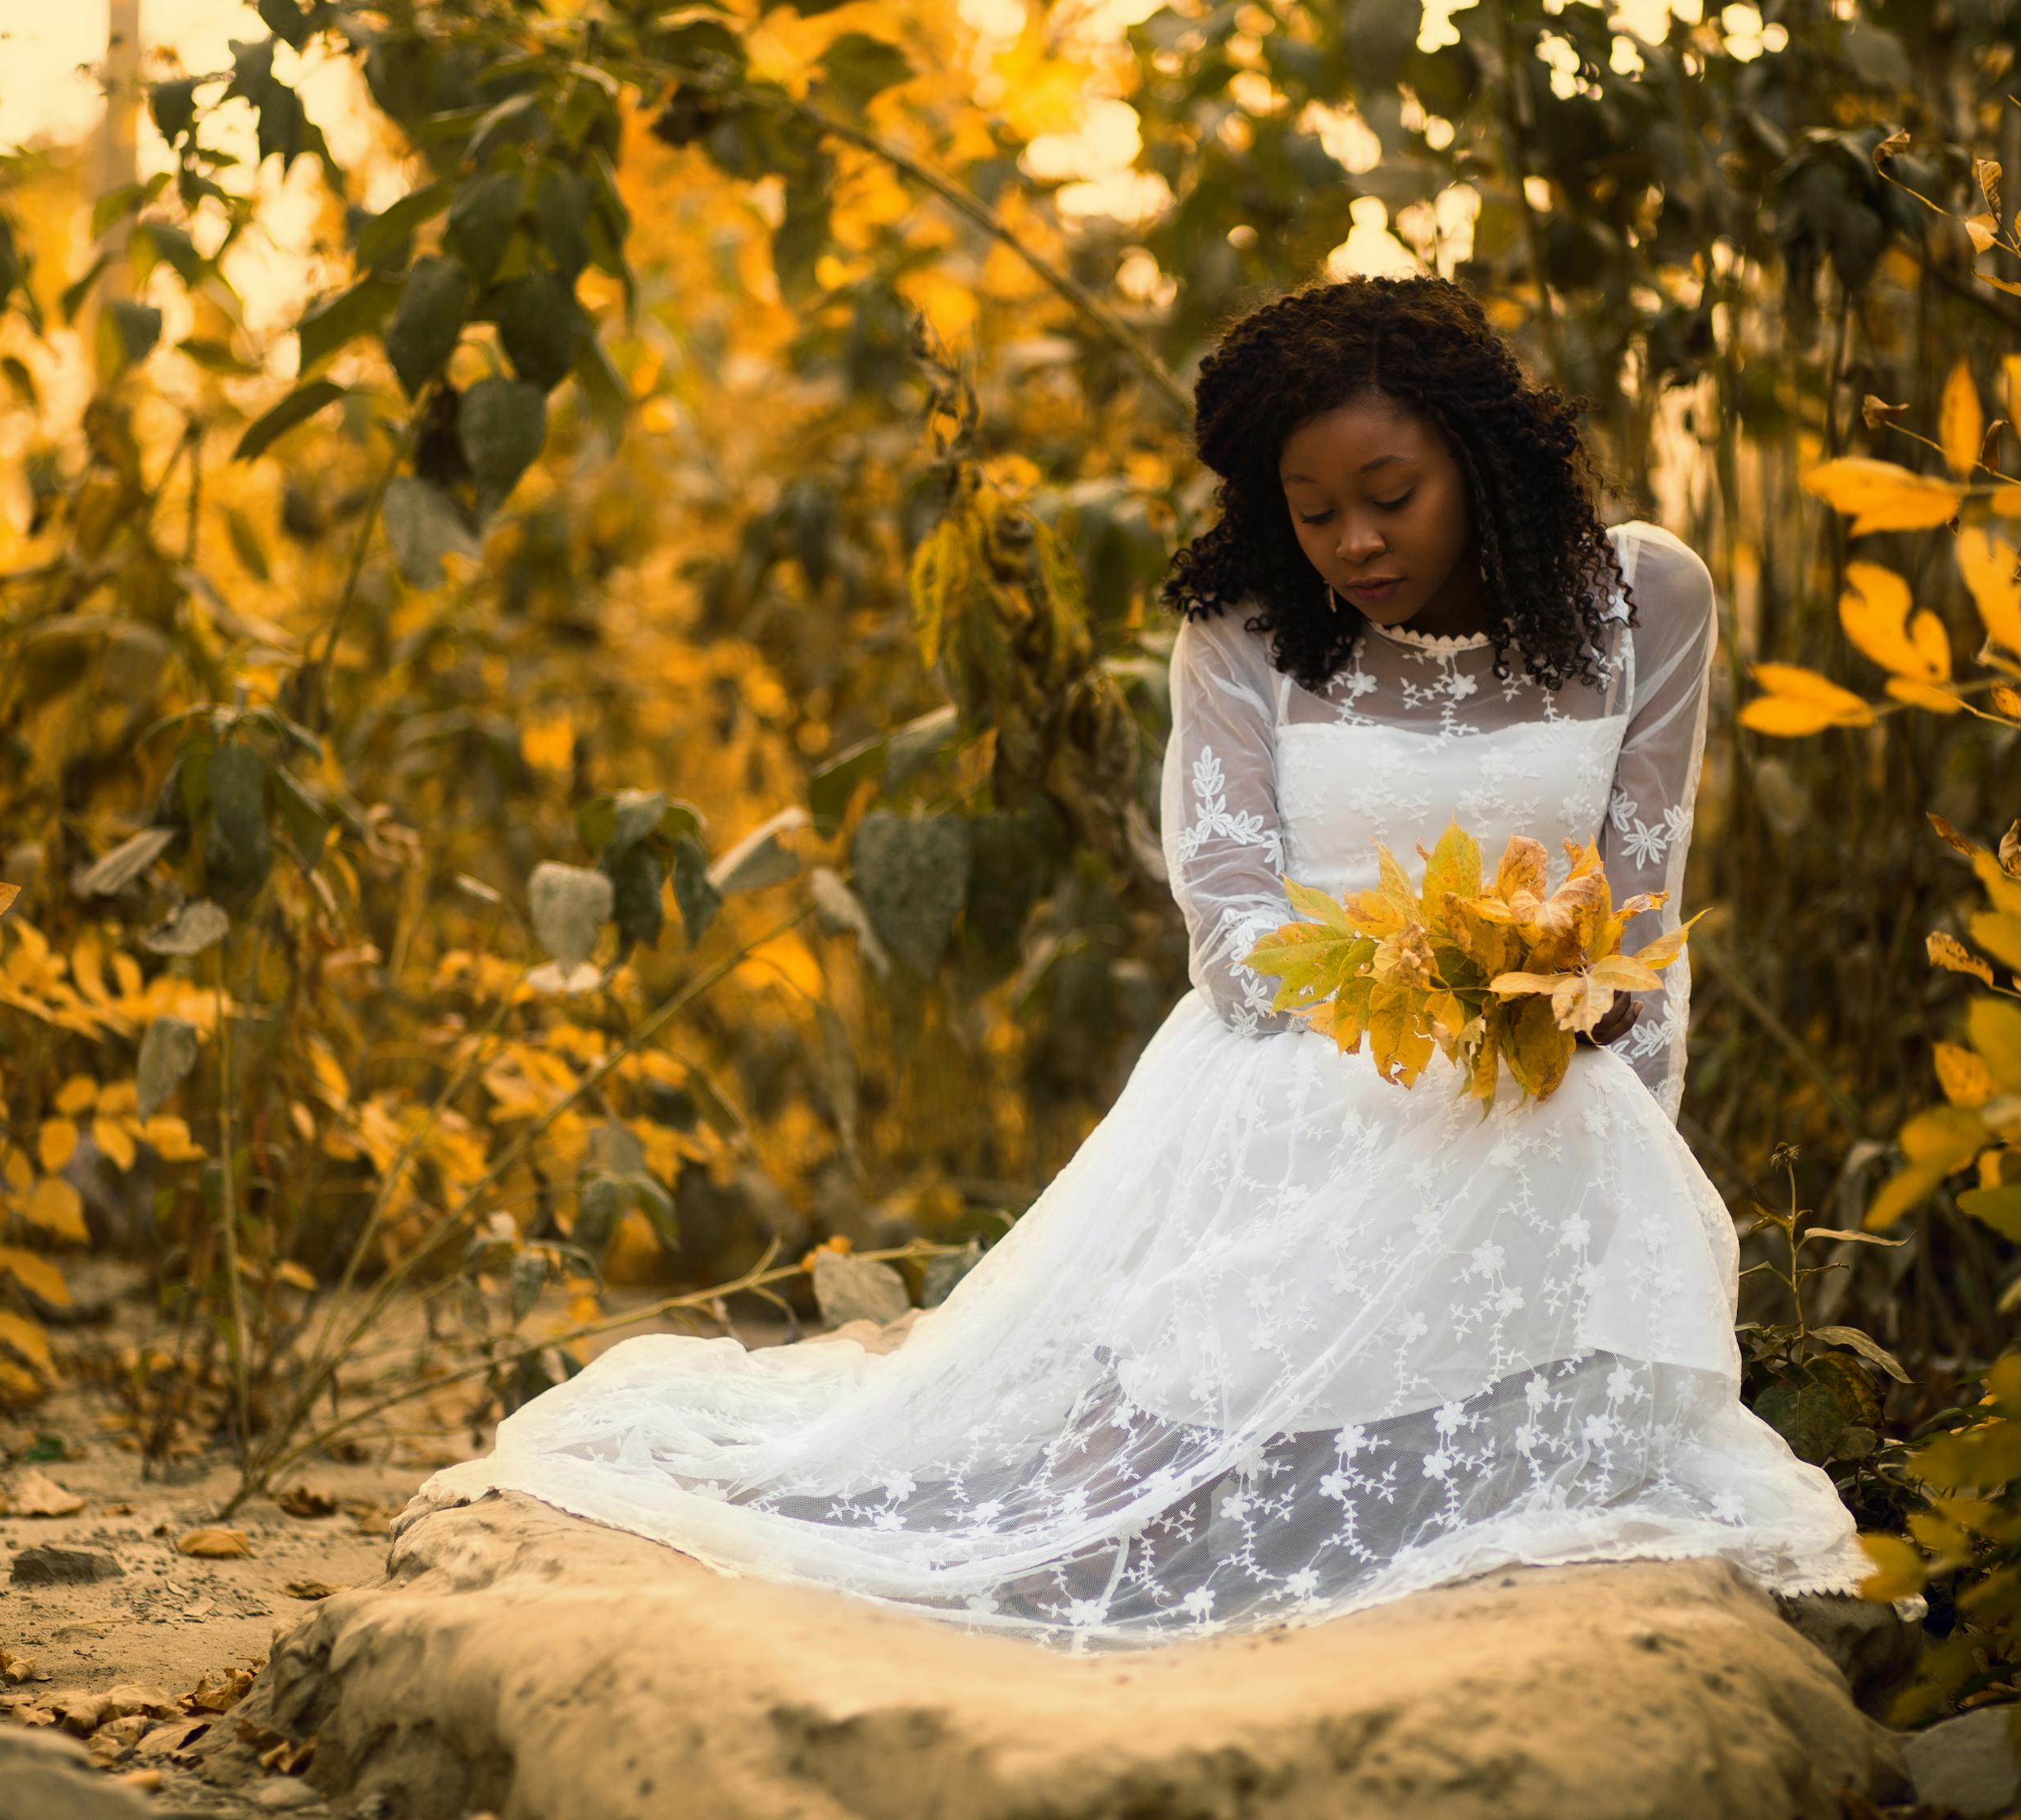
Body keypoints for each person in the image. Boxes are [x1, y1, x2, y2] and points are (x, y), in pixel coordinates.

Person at [415, 274, 1874, 1649]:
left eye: (1391, 497)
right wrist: (1431, 1000)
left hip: (1546, 1088)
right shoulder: (1244, 630)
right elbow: (1237, 937)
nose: (1355, 545)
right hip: (1303, 1077)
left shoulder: (1644, 599)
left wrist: (1632, 1149)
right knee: (1111, 1513)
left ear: (1482, 457)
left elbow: (1641, 909)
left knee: (1578, 1400)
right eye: (1313, 514)